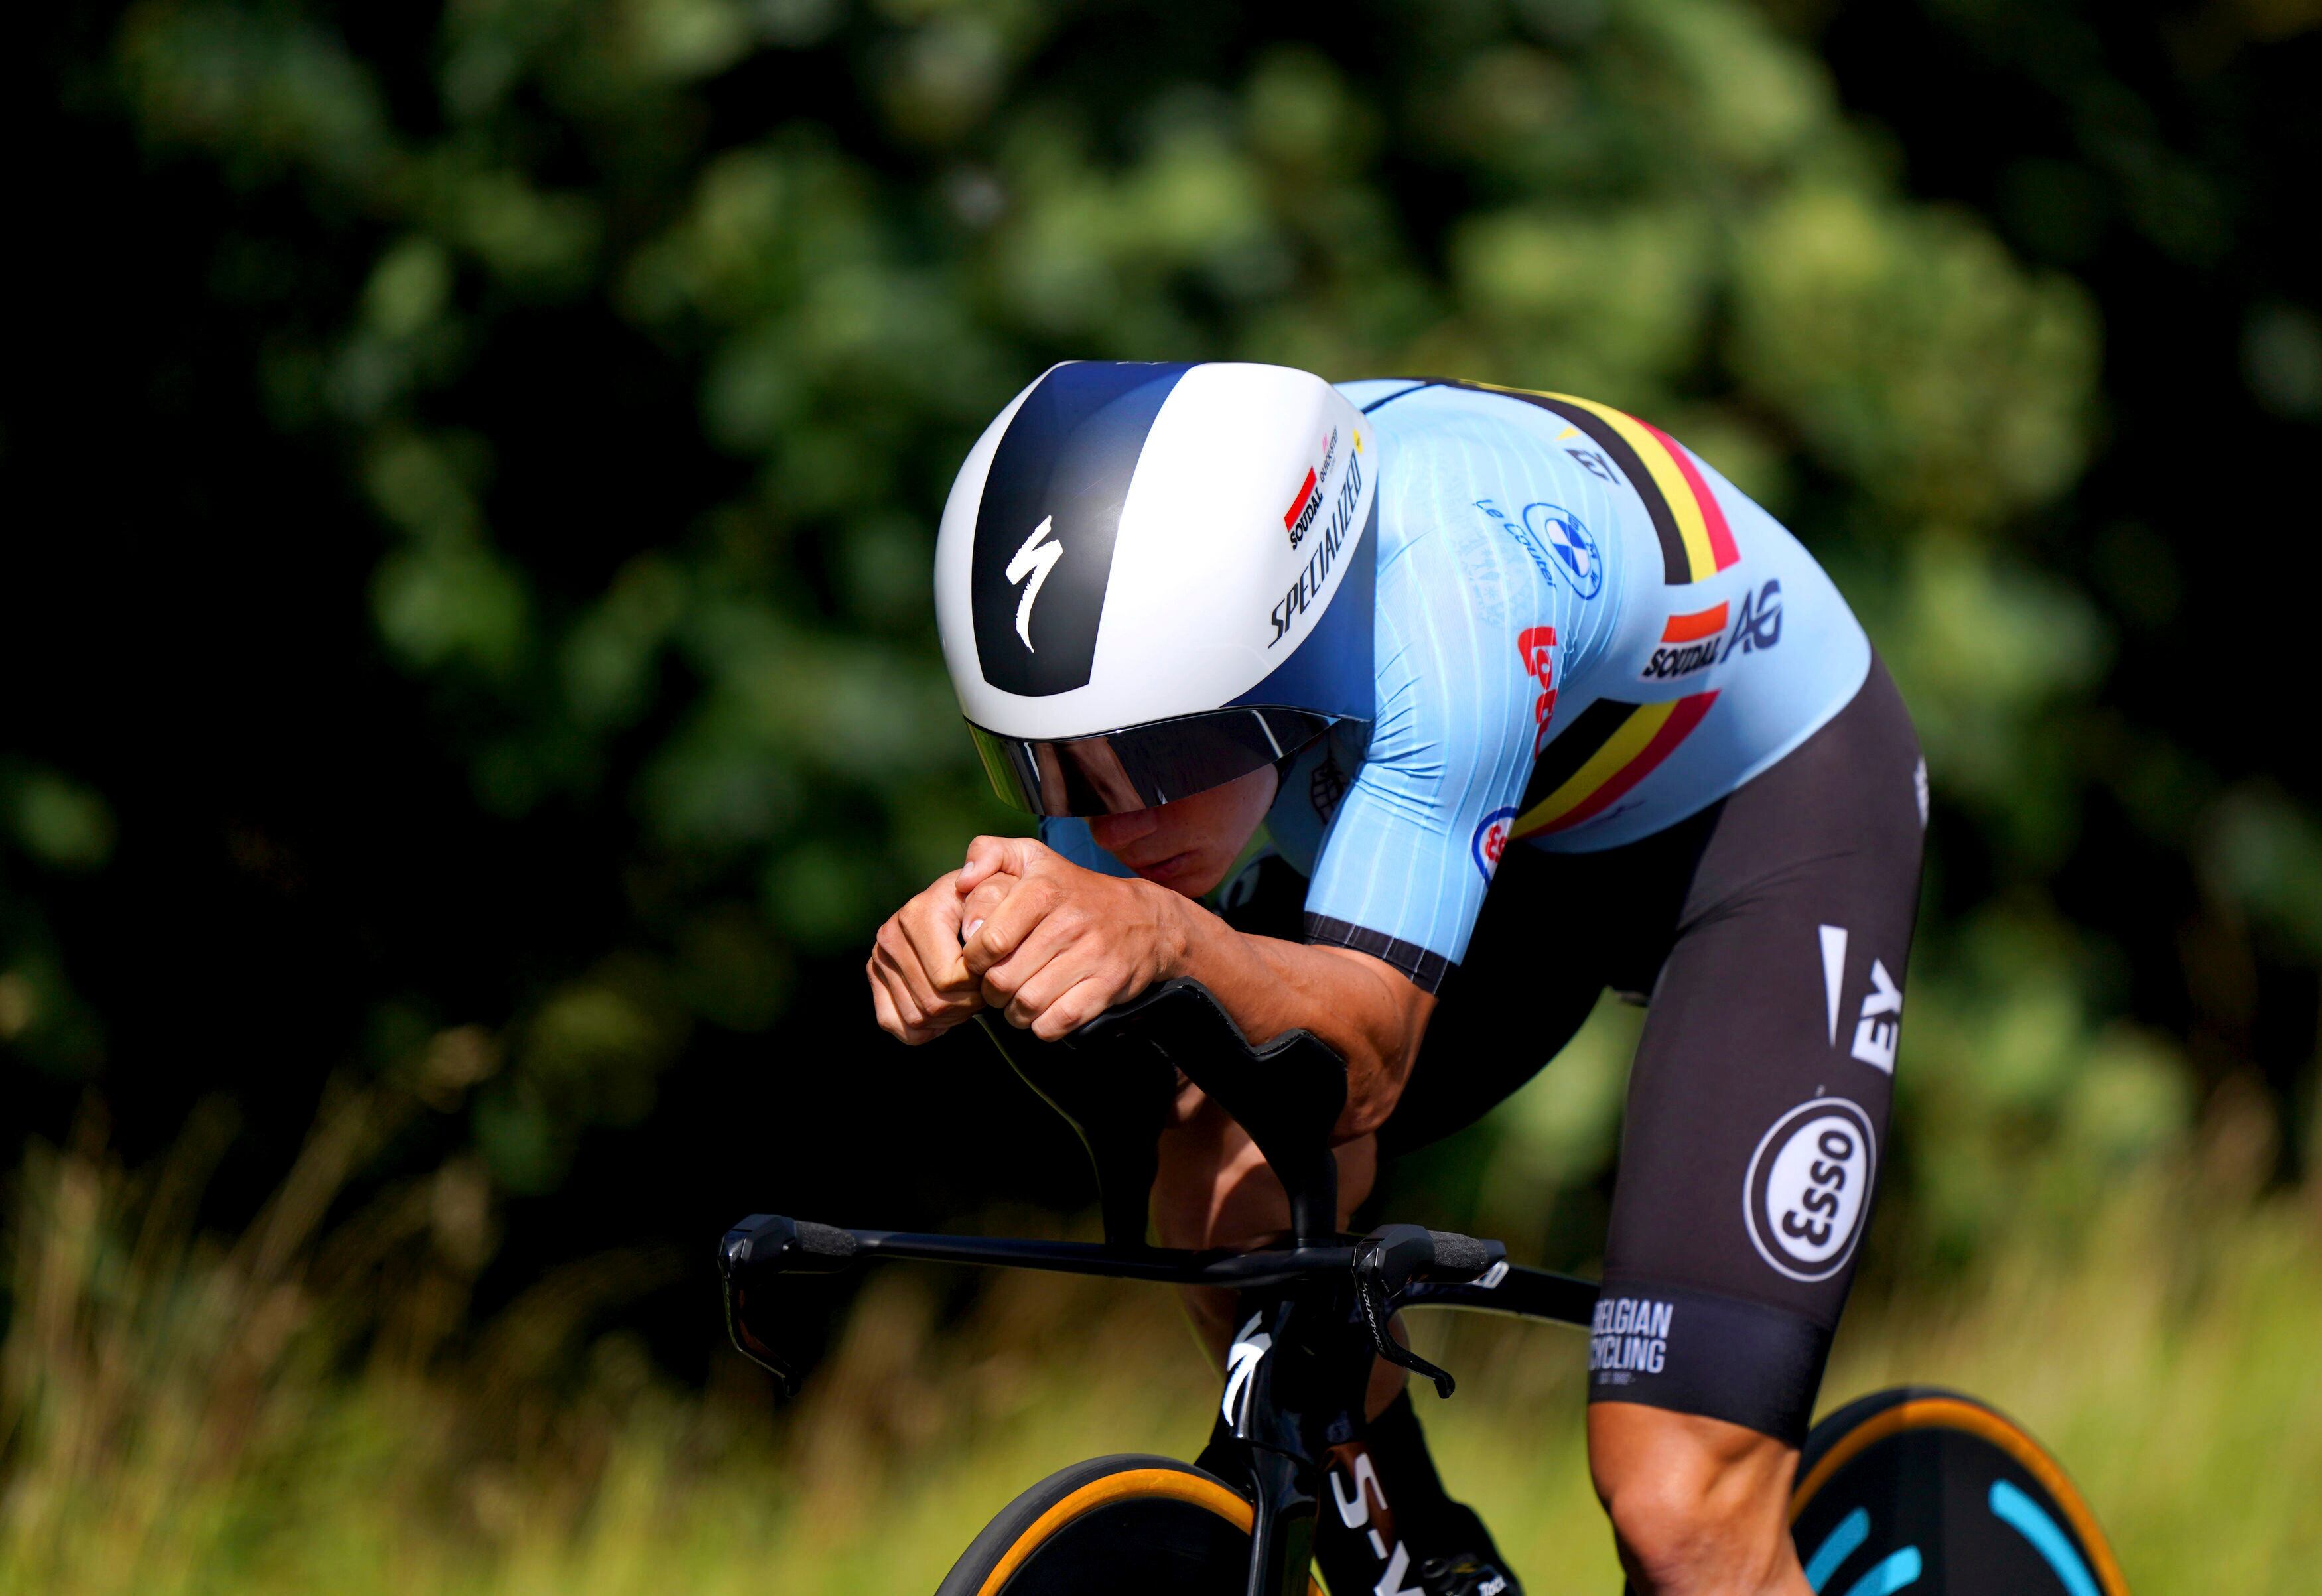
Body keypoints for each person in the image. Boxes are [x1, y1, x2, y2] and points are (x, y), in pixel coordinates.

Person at [866, 361, 1925, 1596]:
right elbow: (1151, 1045)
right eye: (1036, 765)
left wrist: (1156, 932)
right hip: (1512, 825)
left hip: (1760, 815)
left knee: (1681, 1509)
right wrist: (990, 947)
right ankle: (1433, 1566)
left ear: (1268, 672)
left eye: (1137, 759)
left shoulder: (1452, 600)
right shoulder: (1165, 667)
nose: (1095, 816)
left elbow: (1361, 1063)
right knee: (1225, 1196)